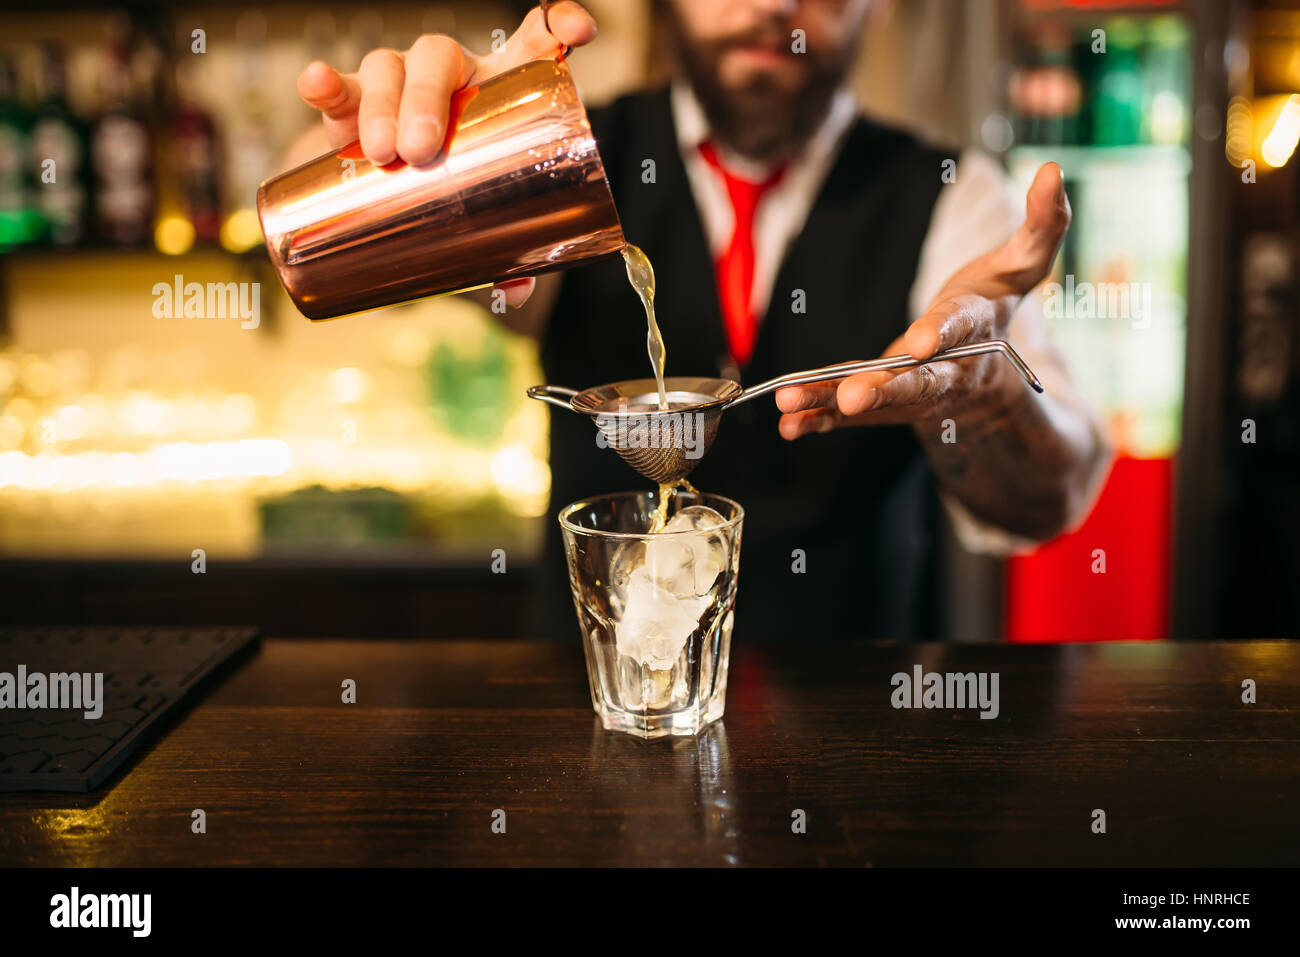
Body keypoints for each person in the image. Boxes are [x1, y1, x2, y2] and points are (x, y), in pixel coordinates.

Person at [290, 0, 1111, 641]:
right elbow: (291, 222)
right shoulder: (557, 163)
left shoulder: (950, 194)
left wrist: (988, 393)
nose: (773, 7)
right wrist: (437, 161)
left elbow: (1051, 499)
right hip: (590, 741)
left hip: (856, 758)